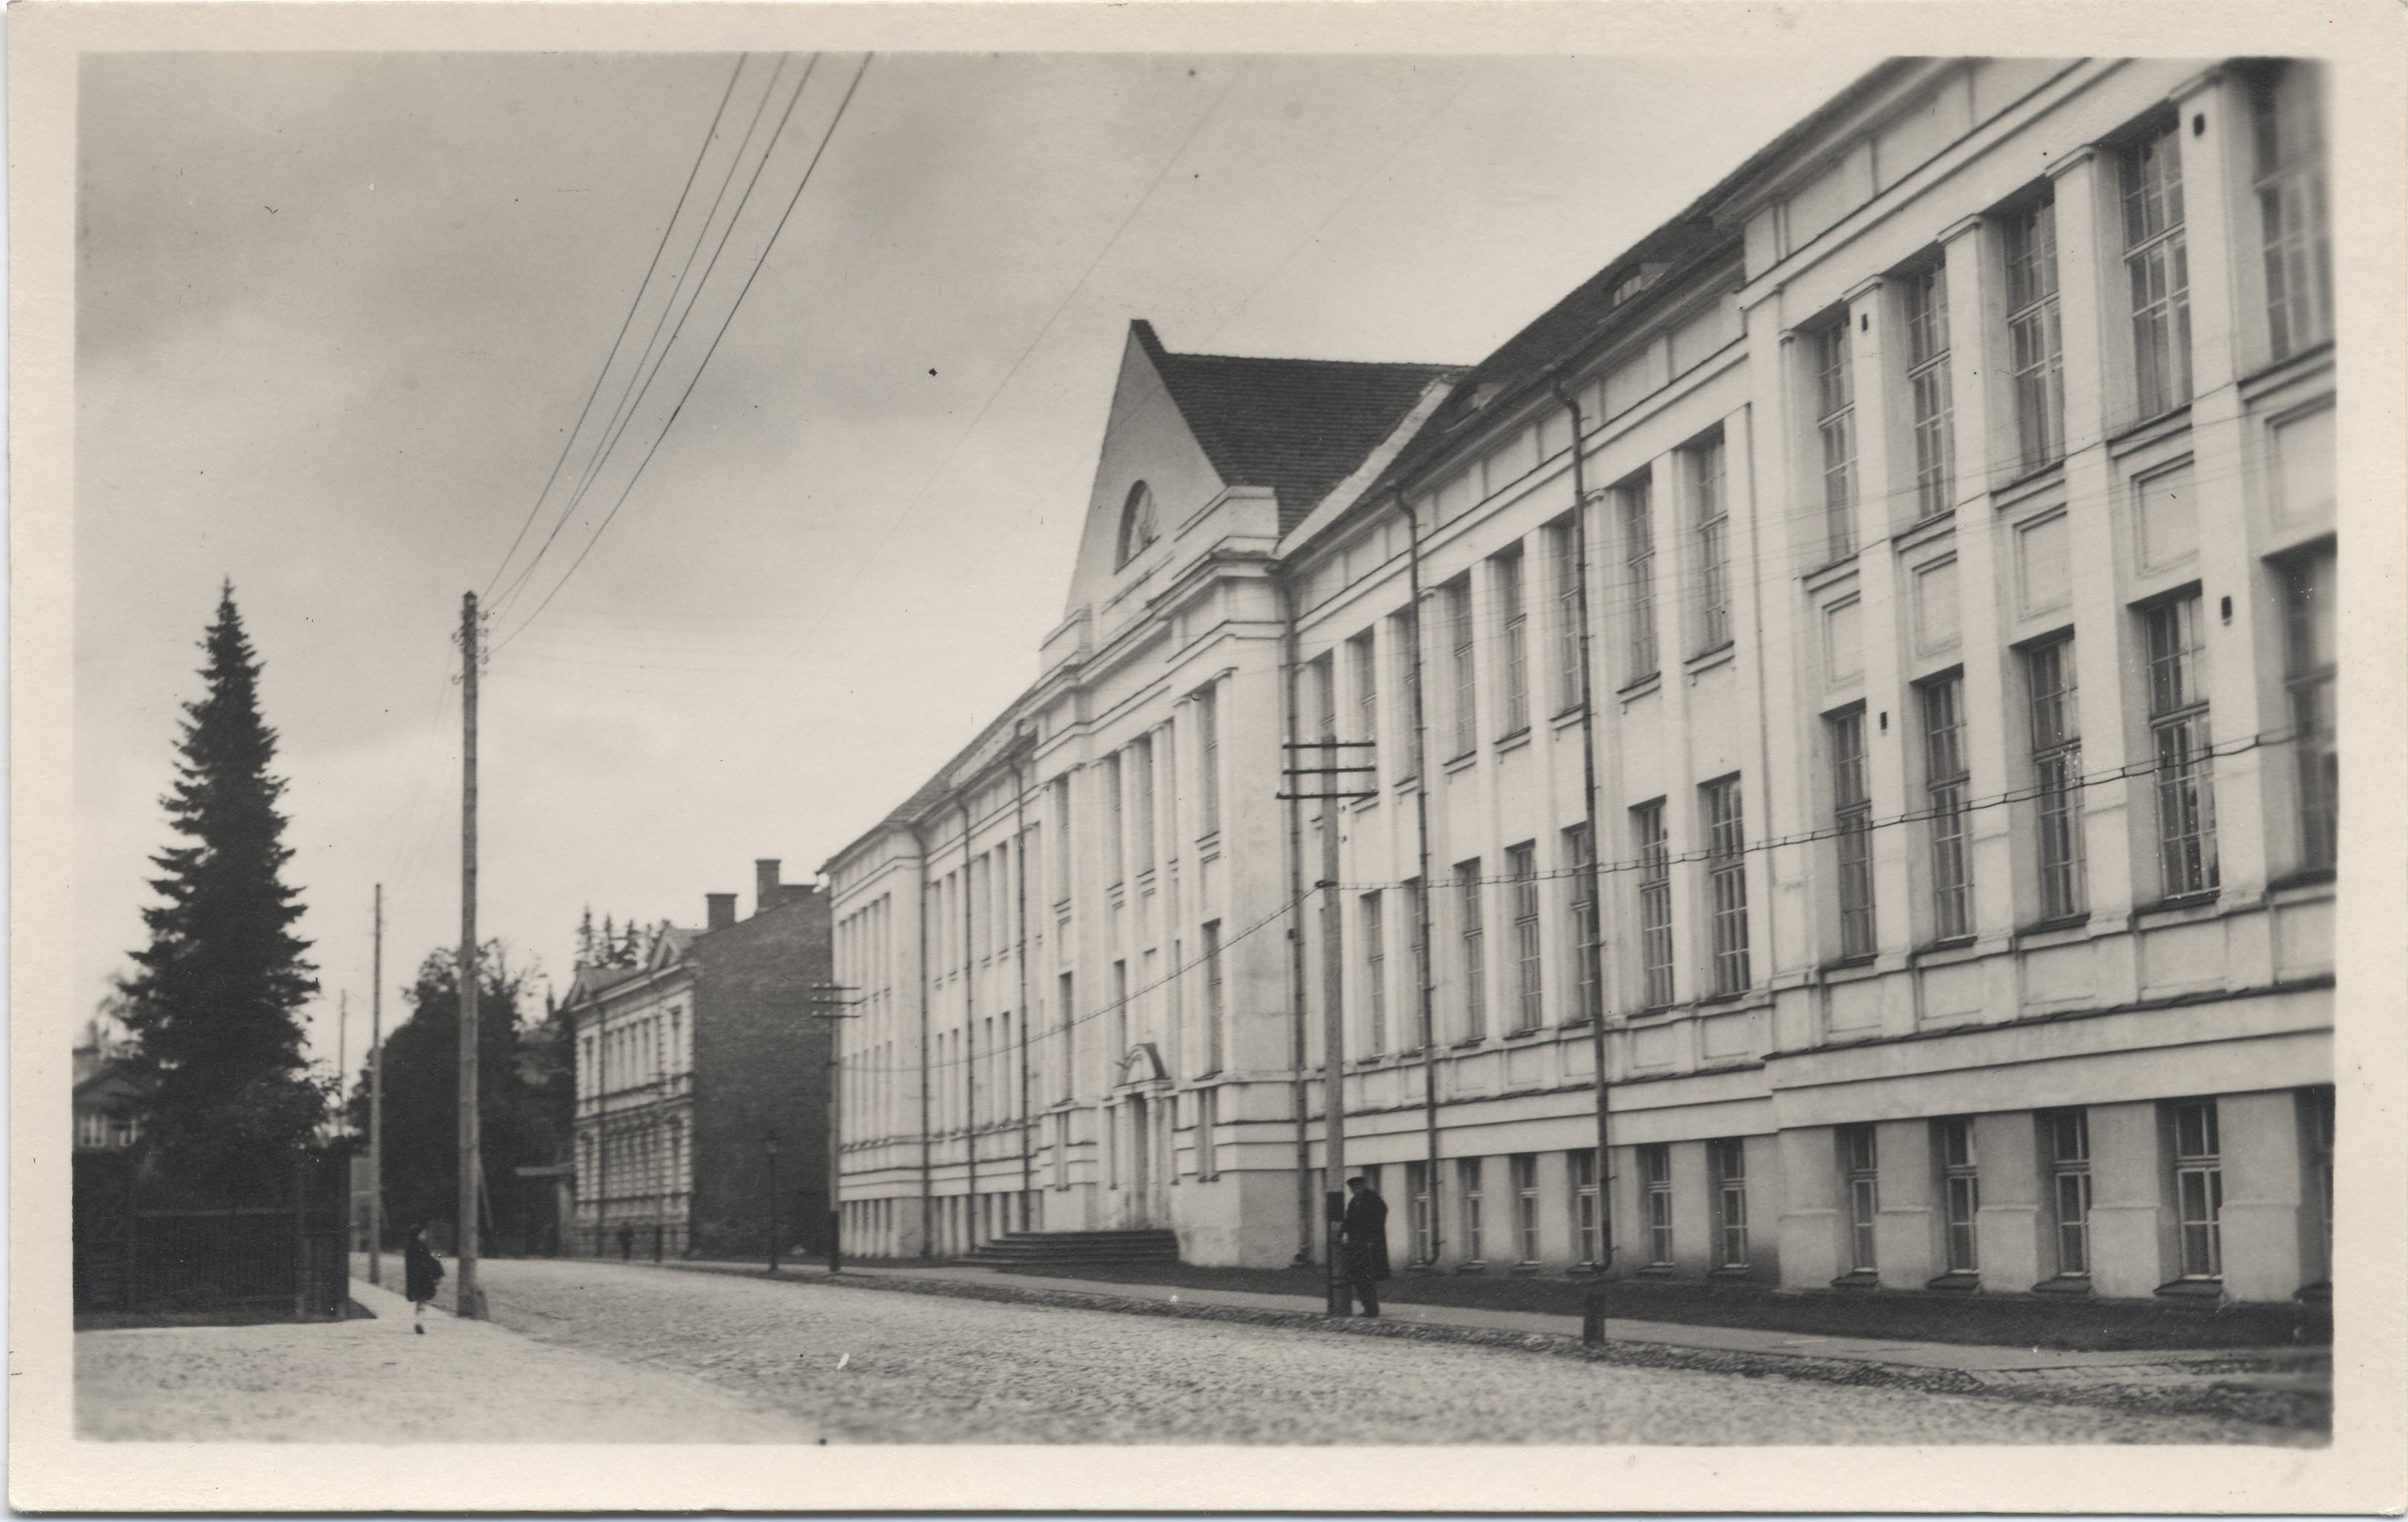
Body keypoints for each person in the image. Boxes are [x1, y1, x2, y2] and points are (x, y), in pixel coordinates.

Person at [1339, 1175, 1390, 1318]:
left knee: (1368, 1277)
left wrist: (1372, 1237)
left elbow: (1381, 1216)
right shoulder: (1354, 1202)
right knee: (1358, 1277)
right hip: (1356, 1245)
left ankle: (1372, 1309)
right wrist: (1341, 1233)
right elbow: (1348, 1220)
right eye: (1354, 1188)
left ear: (1364, 1186)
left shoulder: (1373, 1199)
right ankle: (1367, 1306)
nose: (1356, 1190)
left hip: (1370, 1245)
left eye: (1359, 1187)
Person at [403, 1224, 443, 1334]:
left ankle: (418, 1321)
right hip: (424, 1278)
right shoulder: (422, 1247)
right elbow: (430, 1261)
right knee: (423, 1301)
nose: (425, 1236)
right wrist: (438, 1261)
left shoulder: (409, 1247)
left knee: (419, 1301)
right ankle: (420, 1322)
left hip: (414, 1279)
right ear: (418, 1235)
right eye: (423, 1234)